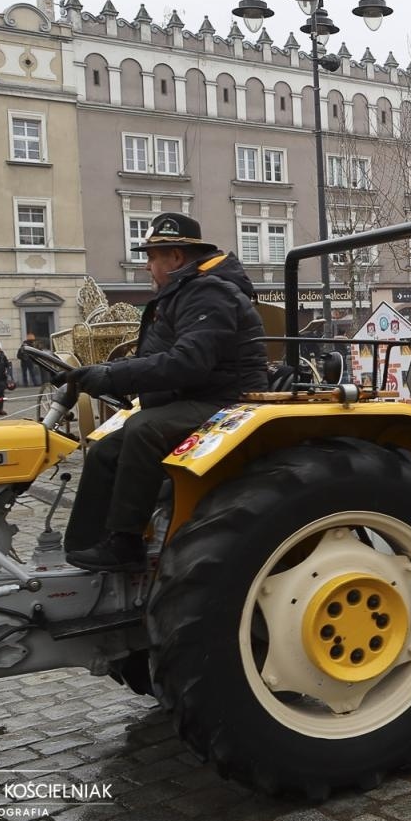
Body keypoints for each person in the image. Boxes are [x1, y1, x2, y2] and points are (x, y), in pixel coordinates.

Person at [57, 213, 268, 571]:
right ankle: (84, 546)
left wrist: (112, 375)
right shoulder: (183, 293)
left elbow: (189, 362)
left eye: (153, 257)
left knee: (145, 430)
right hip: (195, 396)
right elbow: (160, 358)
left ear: (176, 257)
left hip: (227, 401)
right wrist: (116, 377)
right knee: (106, 449)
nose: (148, 265)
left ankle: (125, 543)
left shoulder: (210, 292)